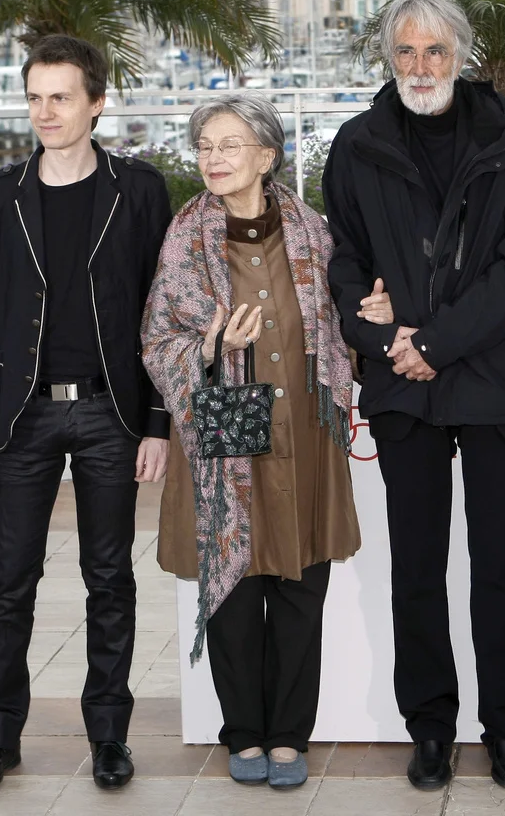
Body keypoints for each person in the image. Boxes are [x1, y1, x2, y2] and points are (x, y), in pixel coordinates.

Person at [323, 0, 505, 792]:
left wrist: (432, 340)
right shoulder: (356, 145)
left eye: (435, 51)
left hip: (495, 384)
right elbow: (344, 263)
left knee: (501, 568)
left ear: (462, 53)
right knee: (417, 568)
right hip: (404, 391)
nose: (420, 67)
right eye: (405, 52)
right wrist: (388, 341)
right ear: (389, 59)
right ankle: (431, 728)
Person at [0, 35, 173, 793]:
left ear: (97, 103)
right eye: (36, 96)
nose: (46, 111)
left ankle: (109, 735)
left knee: (109, 578)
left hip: (112, 412)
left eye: (61, 97)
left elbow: (162, 314)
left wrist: (158, 422)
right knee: (9, 581)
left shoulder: (138, 191)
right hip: (22, 420)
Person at [141, 94, 360, 790]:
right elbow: (157, 338)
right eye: (205, 145)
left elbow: (343, 315)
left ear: (267, 156)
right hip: (226, 431)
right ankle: (243, 730)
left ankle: (290, 734)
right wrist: (209, 343)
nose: (213, 158)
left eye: (229, 145)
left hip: (303, 428)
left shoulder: (312, 230)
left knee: (299, 583)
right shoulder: (185, 237)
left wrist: (373, 313)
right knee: (233, 584)